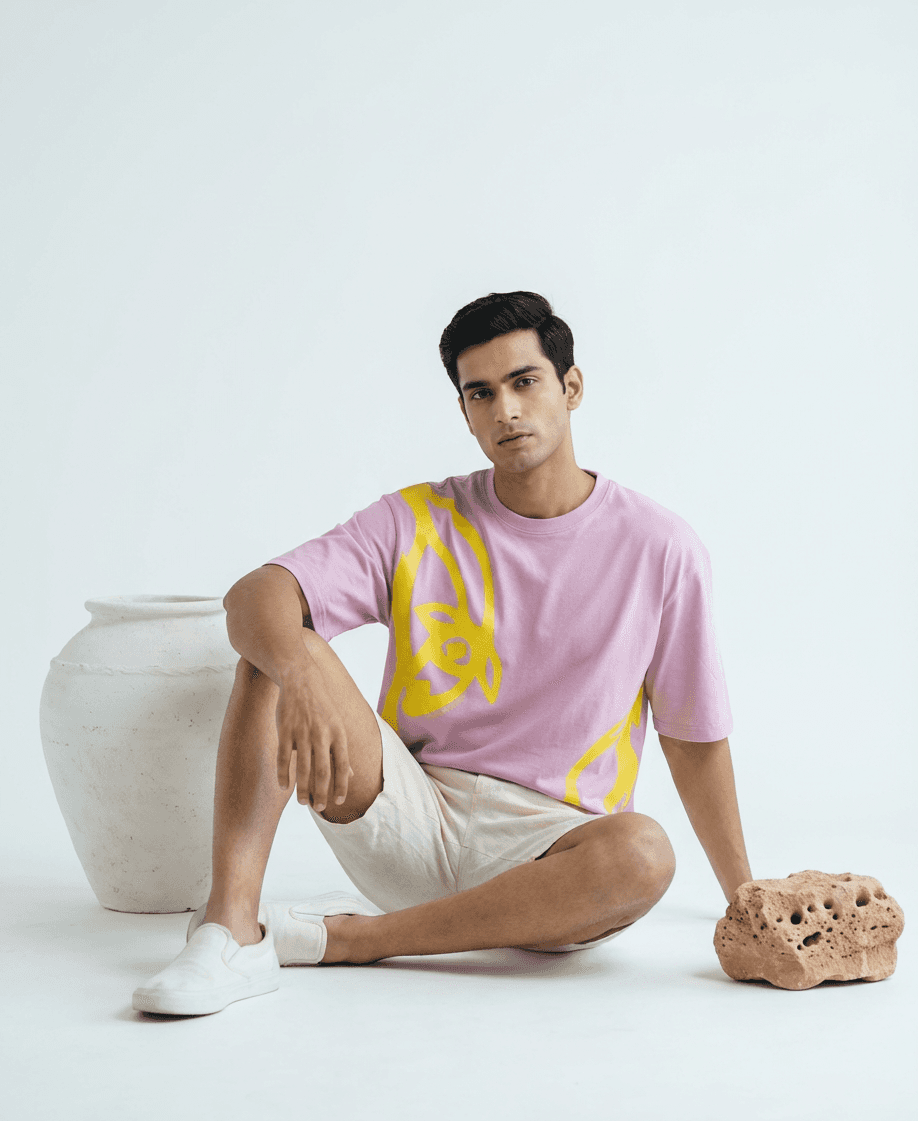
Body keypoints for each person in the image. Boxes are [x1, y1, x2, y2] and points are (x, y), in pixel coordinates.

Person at [133, 290, 752, 1016]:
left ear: (571, 388)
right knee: (275, 640)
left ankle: (353, 940)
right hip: (408, 817)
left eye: (525, 382)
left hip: (556, 856)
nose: (506, 411)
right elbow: (253, 595)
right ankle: (231, 930)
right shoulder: (416, 519)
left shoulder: (661, 548)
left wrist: (744, 895)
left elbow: (692, 735)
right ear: (464, 410)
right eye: (481, 393)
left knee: (644, 854)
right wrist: (299, 669)